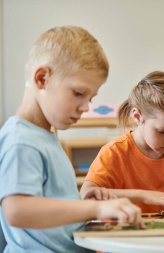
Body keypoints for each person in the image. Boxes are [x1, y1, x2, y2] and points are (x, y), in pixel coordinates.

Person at [0, 26, 142, 253]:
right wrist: (92, 209)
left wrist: (80, 201)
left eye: (91, 98)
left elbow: (48, 206)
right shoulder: (22, 140)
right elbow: (17, 210)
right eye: (78, 93)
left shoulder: (44, 135)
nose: (86, 107)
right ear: (42, 78)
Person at [80, 71, 164, 214]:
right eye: (162, 132)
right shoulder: (115, 152)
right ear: (138, 116)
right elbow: (87, 195)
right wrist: (142, 196)